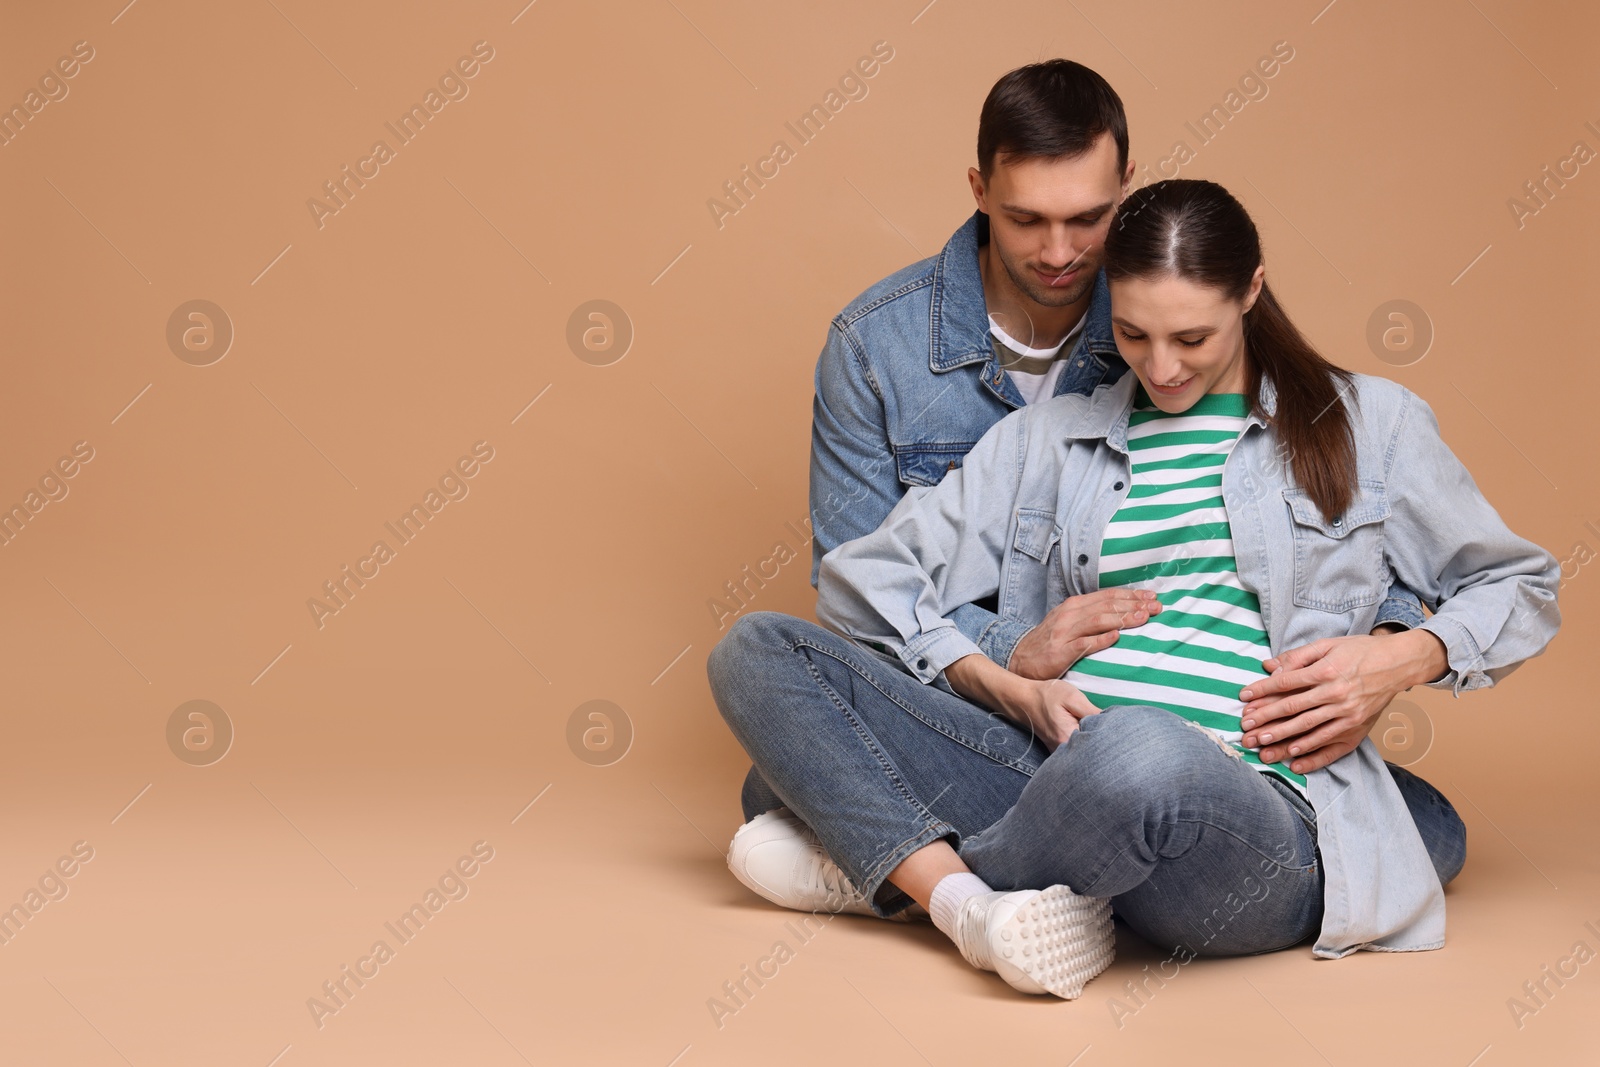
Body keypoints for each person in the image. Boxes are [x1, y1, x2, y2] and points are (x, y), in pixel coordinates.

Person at [709, 178, 1559, 999]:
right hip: (1046, 771)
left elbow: (1520, 582)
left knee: (1137, 750)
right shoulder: (1048, 439)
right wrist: (1009, 683)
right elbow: (862, 580)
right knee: (757, 650)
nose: (1162, 367)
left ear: (1251, 290)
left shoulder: (1371, 423)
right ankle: (969, 905)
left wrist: (1404, 657)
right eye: (1134, 334)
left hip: (1250, 817)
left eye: (1192, 338)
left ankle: (887, 864)